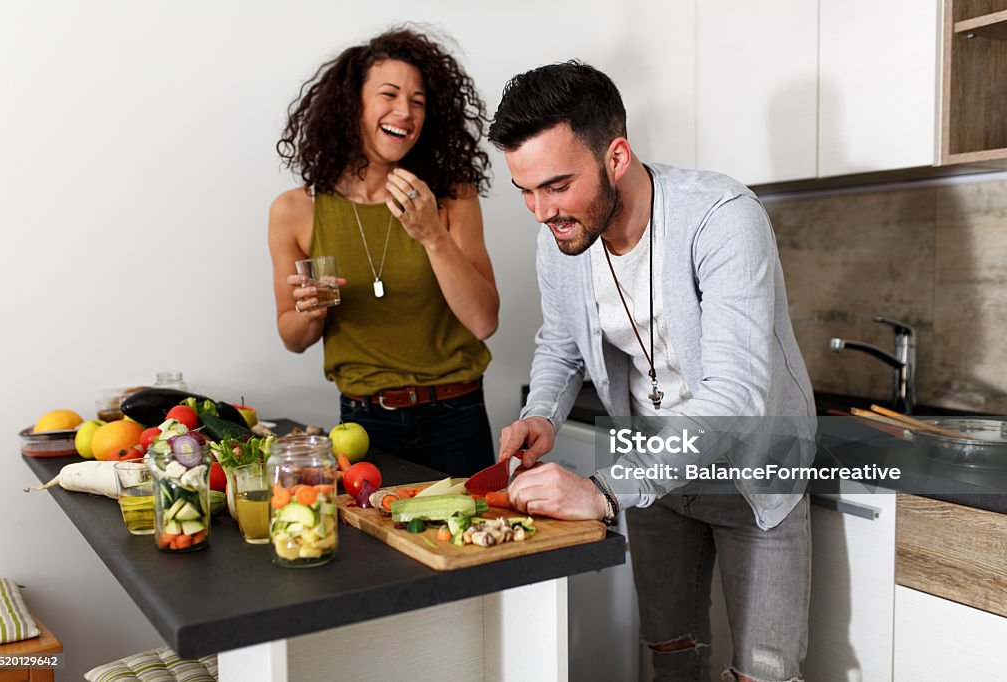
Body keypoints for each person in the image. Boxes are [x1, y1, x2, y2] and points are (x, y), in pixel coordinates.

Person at [488, 61, 815, 682]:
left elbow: (740, 398)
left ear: (616, 156)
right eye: (525, 191)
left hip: (754, 470)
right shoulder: (563, 235)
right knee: (671, 656)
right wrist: (542, 413)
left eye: (556, 185)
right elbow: (561, 342)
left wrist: (606, 490)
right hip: (656, 471)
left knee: (764, 674)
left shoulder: (721, 216)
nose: (539, 212)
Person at [269, 28, 499, 478]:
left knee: (466, 544)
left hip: (456, 416)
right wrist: (312, 311)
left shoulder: (451, 197)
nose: (405, 112)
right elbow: (292, 337)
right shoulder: (297, 210)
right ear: (351, 104)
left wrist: (432, 234)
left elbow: (484, 321)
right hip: (363, 423)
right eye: (389, 94)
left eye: (418, 101)